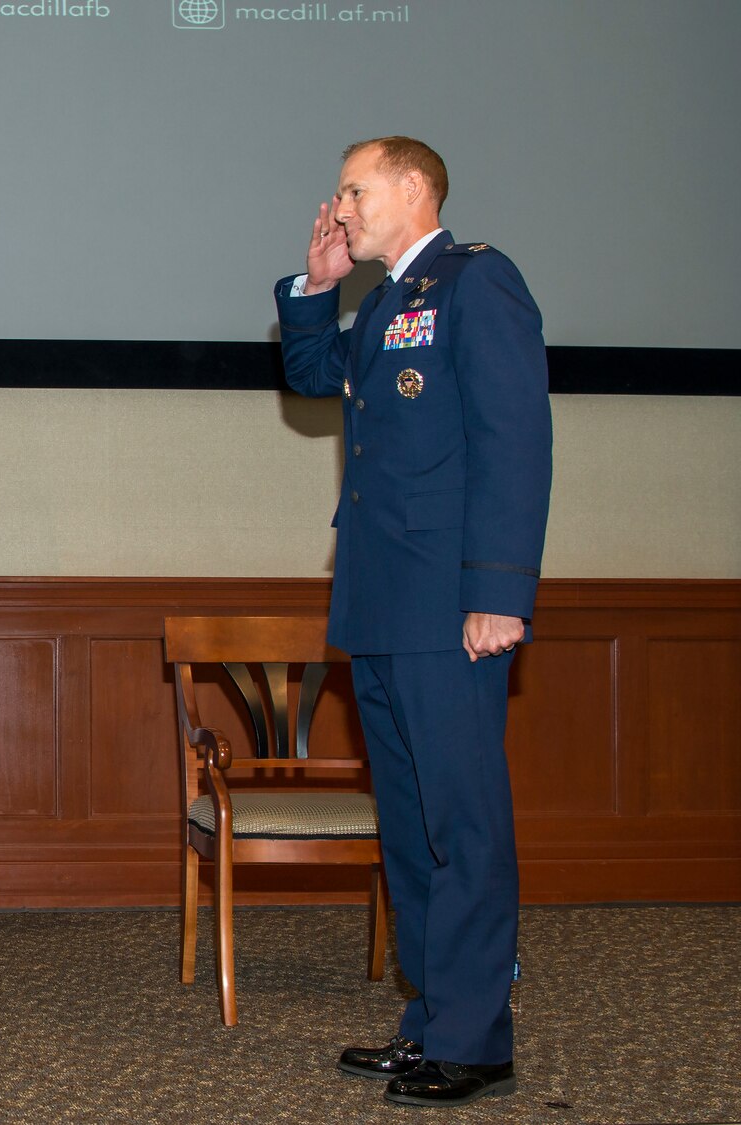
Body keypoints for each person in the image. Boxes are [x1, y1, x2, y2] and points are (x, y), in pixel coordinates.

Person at [275, 137, 552, 1108]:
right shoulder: (386, 298)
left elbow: (513, 441)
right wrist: (315, 286)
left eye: (352, 188)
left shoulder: (475, 285)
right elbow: (315, 380)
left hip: (450, 606)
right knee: (408, 829)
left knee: (461, 824)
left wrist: (498, 593)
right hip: (382, 605)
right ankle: (432, 1020)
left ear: (407, 187)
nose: (338, 203)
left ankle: (476, 1040)